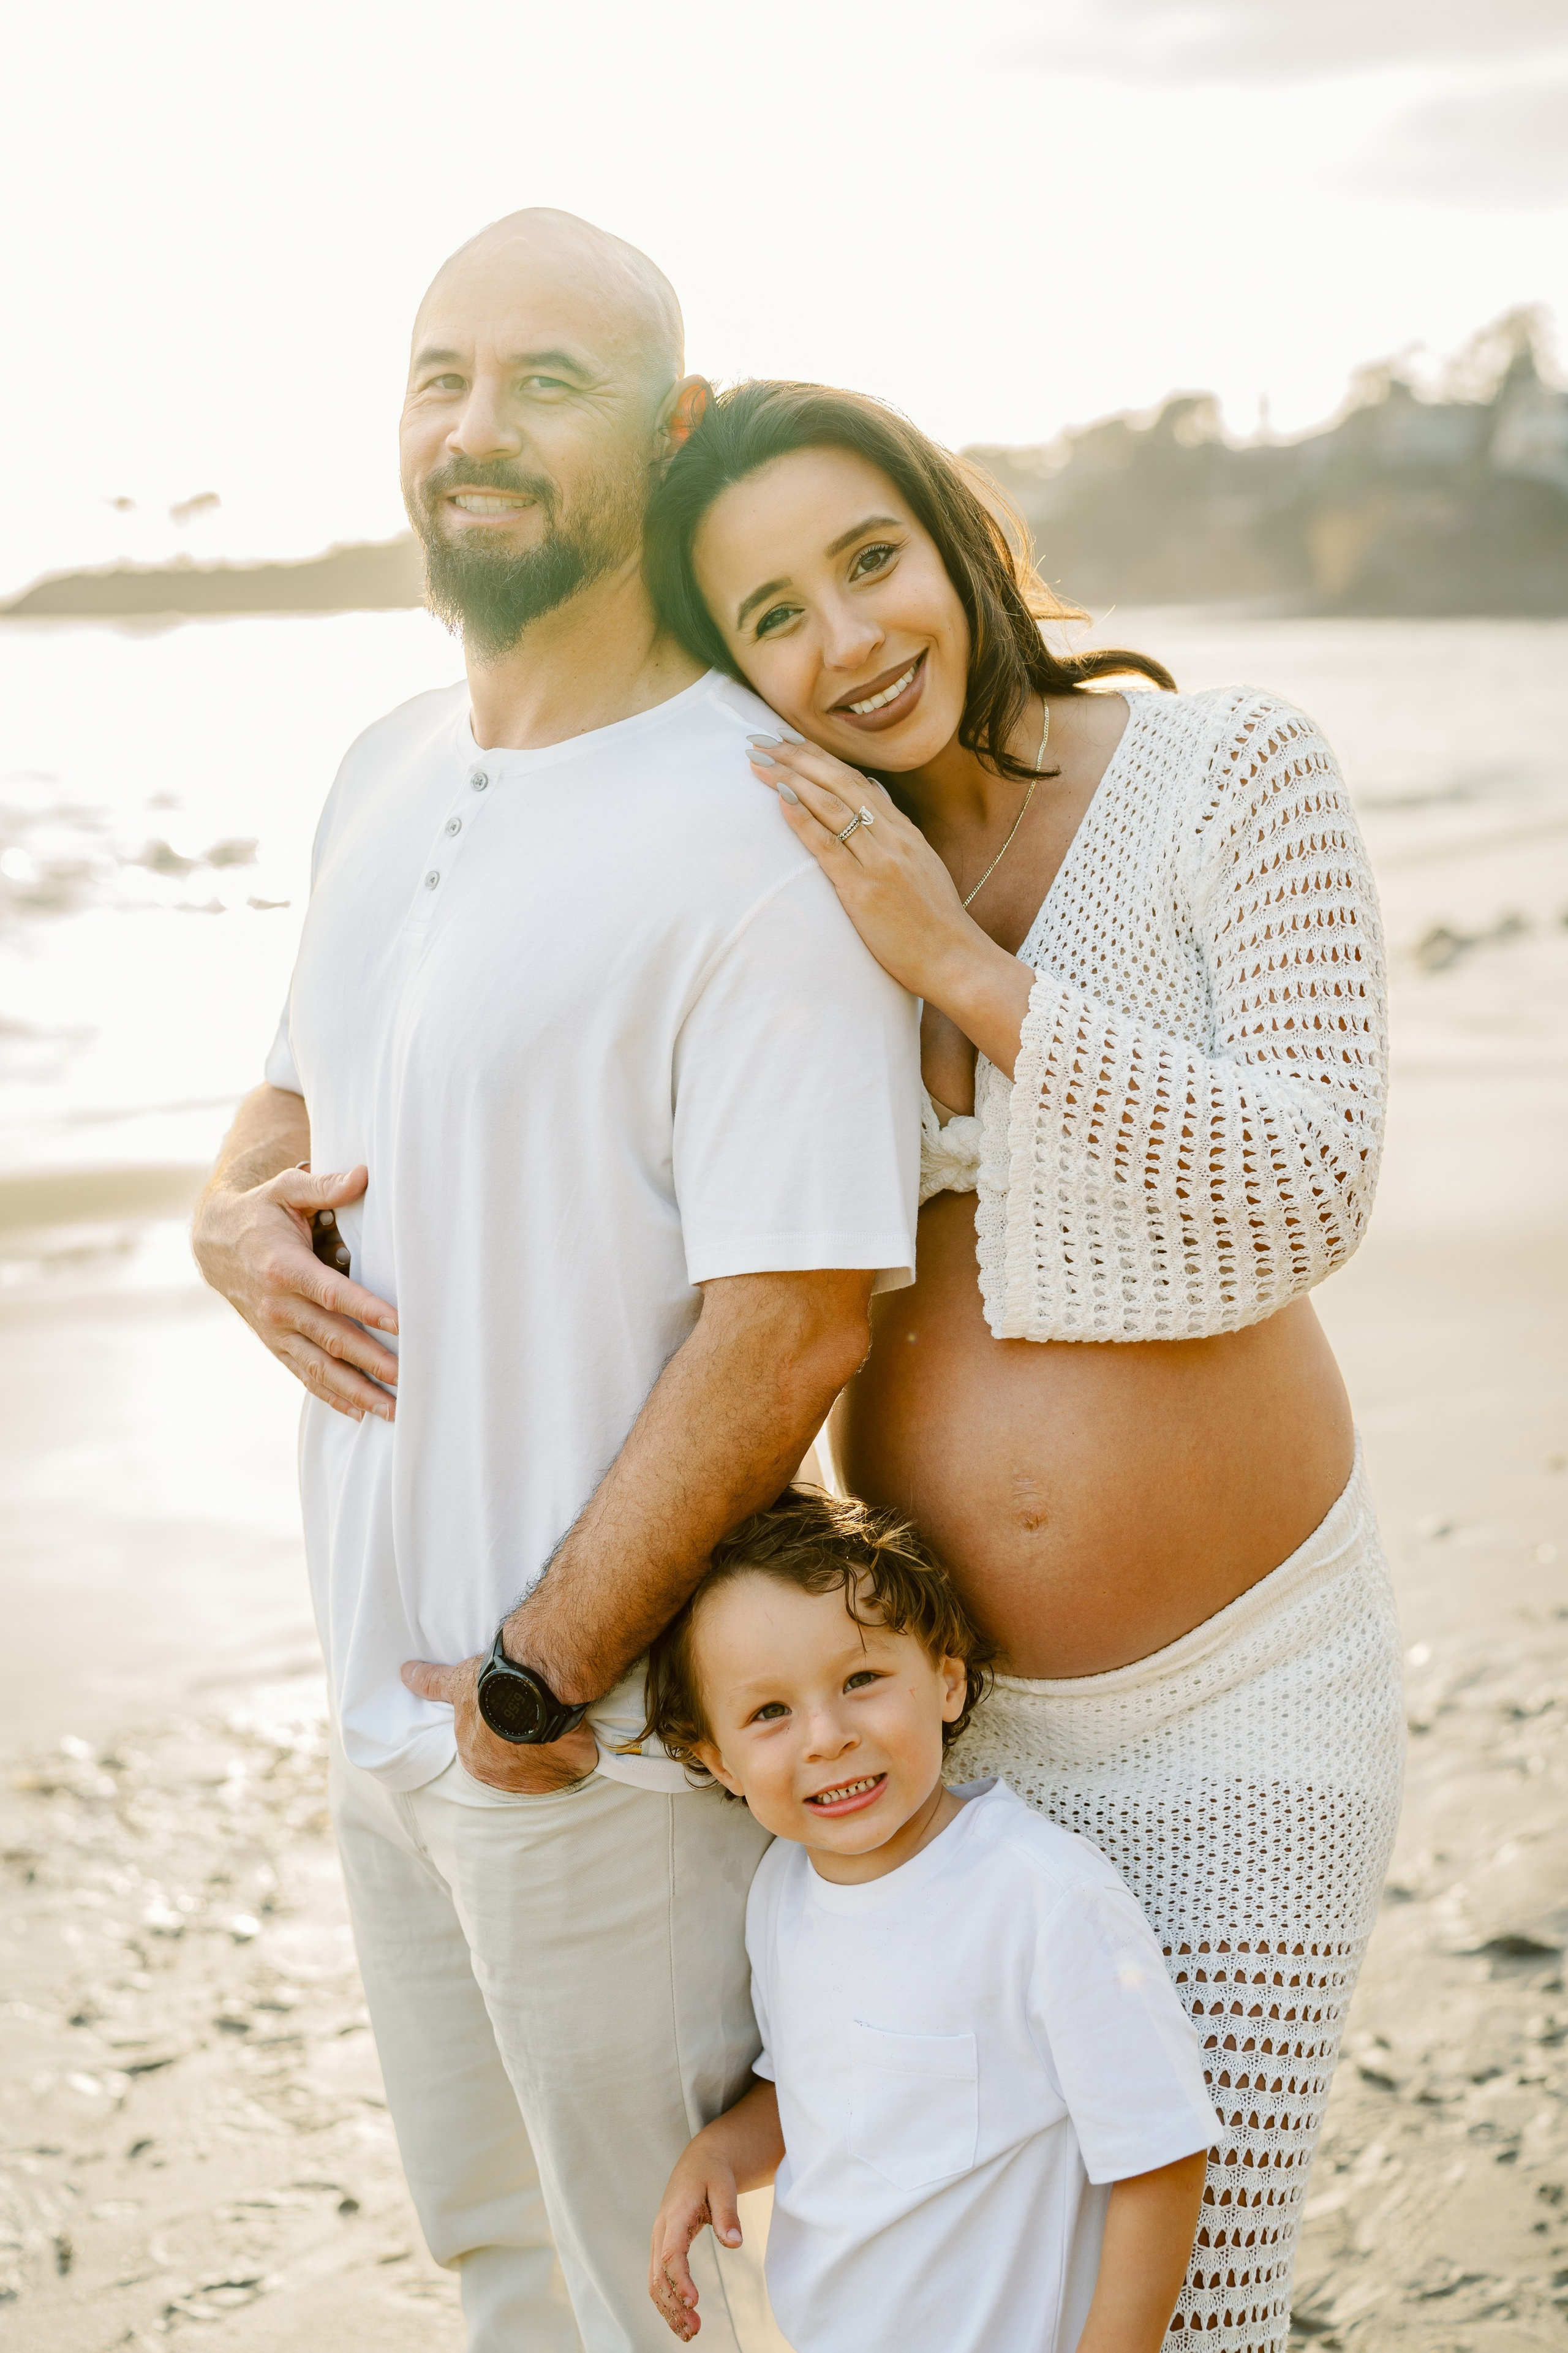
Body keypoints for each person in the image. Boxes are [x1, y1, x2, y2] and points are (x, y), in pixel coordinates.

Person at [192, 223, 921, 2353]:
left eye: (549, 383)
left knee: (672, 2304)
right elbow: (295, 1090)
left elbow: (797, 1317)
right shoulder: (383, 761)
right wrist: (224, 1220)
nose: (476, 431)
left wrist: (542, 1682)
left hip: (587, 1757)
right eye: (442, 377)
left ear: (672, 430)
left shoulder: (759, 822)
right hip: (378, 1719)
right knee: (499, 2274)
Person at [642, 382, 1406, 2353]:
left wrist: (964, 970)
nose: (849, 638)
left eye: (870, 559)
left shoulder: (1227, 771)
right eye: (774, 617)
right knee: (952, 2257)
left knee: (1194, 2289)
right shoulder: (782, 892)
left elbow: (1310, 1184)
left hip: (1249, 1694)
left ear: (957, 536)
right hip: (939, 1724)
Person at [644, 1489, 1220, 2353]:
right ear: (718, 1758)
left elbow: (1160, 2153)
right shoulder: (779, 1893)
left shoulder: (1038, 1896)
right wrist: (722, 2154)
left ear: (946, 1680)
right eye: (770, 1712)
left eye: (861, 1679)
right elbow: (826, 2093)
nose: (827, 1736)